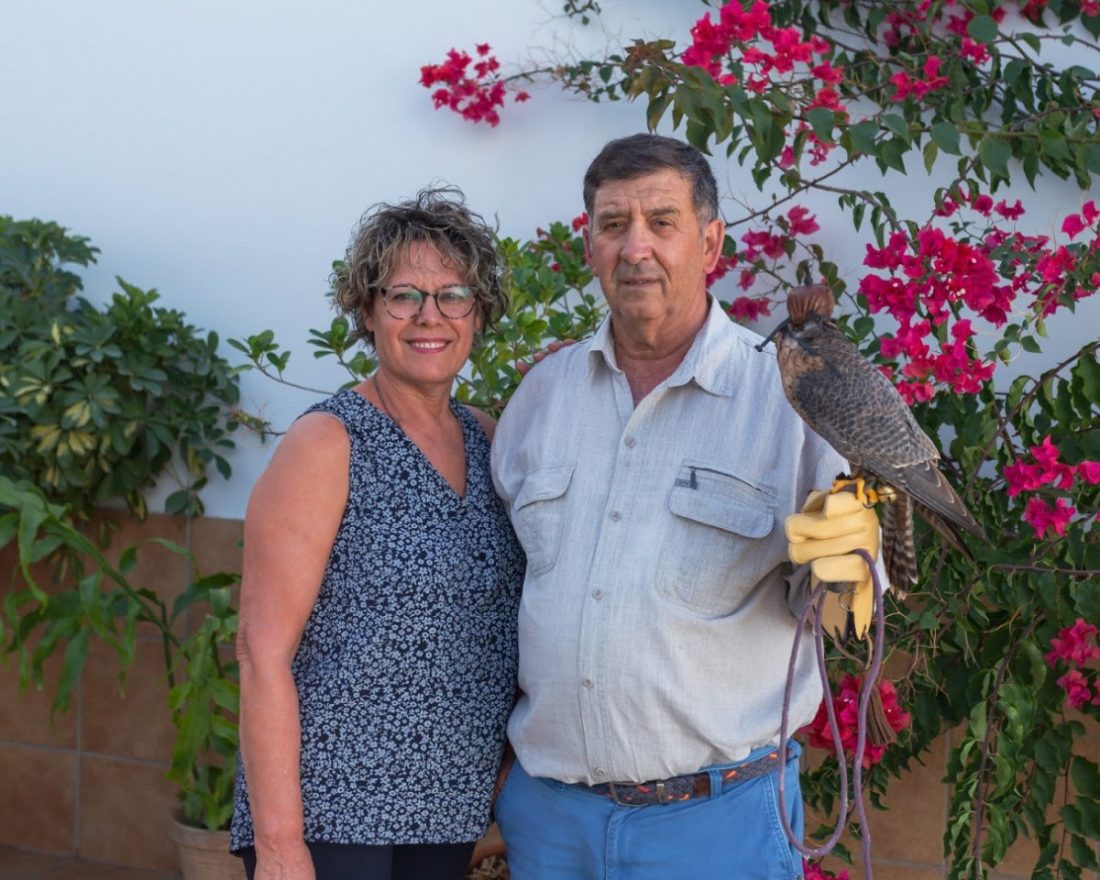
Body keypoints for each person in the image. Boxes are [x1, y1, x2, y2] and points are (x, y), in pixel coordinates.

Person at [490, 134, 880, 879]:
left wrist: (848, 567)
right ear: (590, 245)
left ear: (710, 243)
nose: (636, 248)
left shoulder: (787, 399)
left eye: (661, 222)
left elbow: (840, 611)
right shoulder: (542, 398)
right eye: (613, 225)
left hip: (719, 825)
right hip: (551, 824)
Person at [230, 187, 525, 880]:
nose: (431, 316)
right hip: (332, 818)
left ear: (477, 314)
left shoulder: (487, 440)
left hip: (446, 815)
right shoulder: (328, 442)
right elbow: (260, 653)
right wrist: (279, 847)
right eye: (403, 296)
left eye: (454, 295)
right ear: (367, 311)